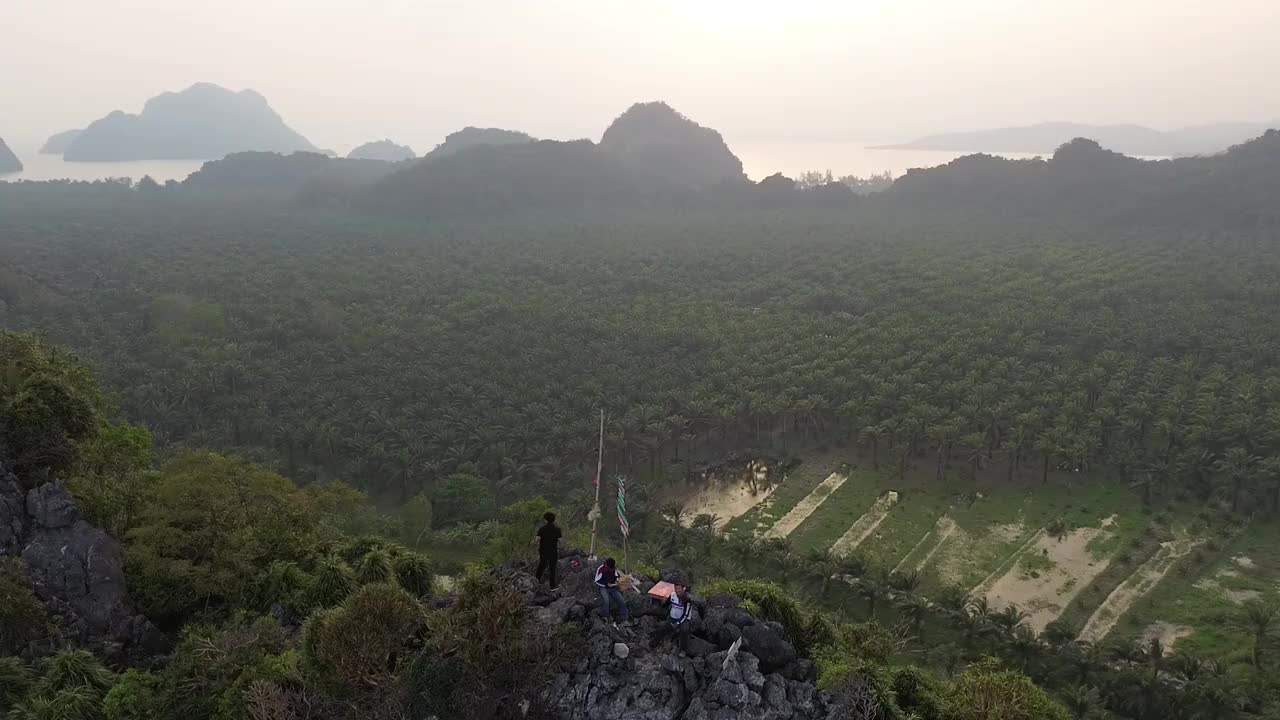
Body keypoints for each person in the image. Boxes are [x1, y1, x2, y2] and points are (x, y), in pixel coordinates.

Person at [650, 582, 693, 654]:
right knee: (663, 627)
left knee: (684, 630)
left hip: (684, 619)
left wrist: (677, 623)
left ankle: (683, 649)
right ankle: (653, 644)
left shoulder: (687, 599)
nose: (677, 590)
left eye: (679, 588)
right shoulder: (672, 595)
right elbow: (666, 605)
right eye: (676, 588)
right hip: (673, 617)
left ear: (683, 589)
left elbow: (686, 614)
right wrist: (663, 601)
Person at [594, 557, 629, 625]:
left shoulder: (613, 568)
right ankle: (605, 617)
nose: (611, 569)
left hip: (612, 587)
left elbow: (616, 575)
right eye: (610, 568)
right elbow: (597, 580)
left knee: (621, 600)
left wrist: (616, 581)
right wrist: (606, 584)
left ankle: (624, 617)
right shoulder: (601, 569)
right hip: (603, 587)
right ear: (606, 565)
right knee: (606, 600)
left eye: (612, 568)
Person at [533, 511, 562, 589]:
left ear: (545, 519)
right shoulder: (557, 529)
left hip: (543, 550)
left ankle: (536, 581)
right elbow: (560, 541)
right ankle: (552, 586)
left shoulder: (542, 529)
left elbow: (537, 539)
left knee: (541, 566)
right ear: (554, 520)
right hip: (553, 551)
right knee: (553, 568)